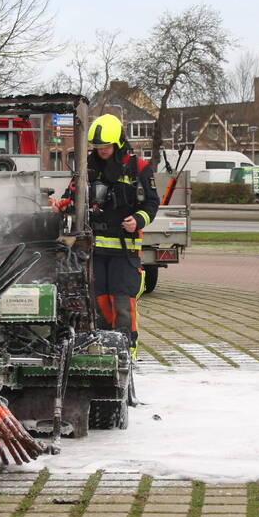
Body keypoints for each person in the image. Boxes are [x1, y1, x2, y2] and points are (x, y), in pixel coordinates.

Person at [54, 114, 159, 357]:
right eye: (98, 147)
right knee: (98, 305)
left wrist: (139, 219)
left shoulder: (139, 168)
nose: (102, 151)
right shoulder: (87, 168)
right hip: (95, 252)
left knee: (122, 305)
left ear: (119, 142)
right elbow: (71, 197)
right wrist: (59, 205)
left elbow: (152, 203)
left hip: (125, 252)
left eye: (106, 147)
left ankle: (126, 355)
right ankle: (101, 351)